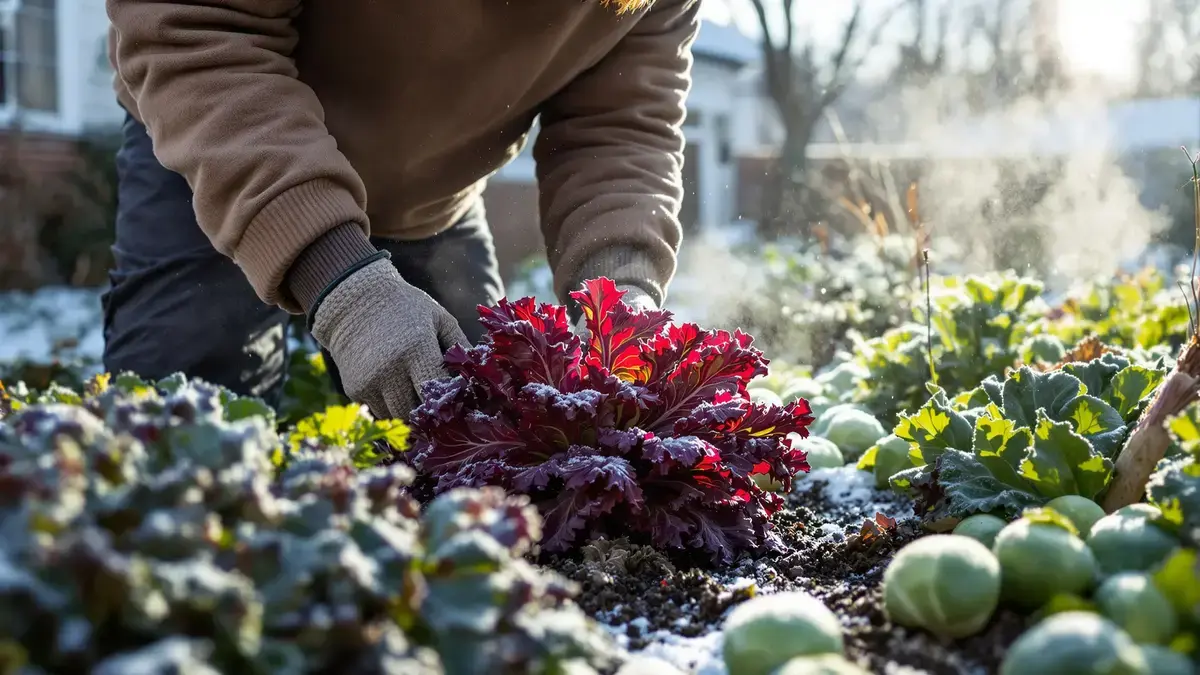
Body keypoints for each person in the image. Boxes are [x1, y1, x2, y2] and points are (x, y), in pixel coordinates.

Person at [100, 0, 698, 420]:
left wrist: (623, 297)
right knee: (175, 432)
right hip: (224, 155)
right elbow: (197, 29)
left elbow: (620, 128)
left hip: (431, 200)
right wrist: (340, 280)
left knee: (487, 443)